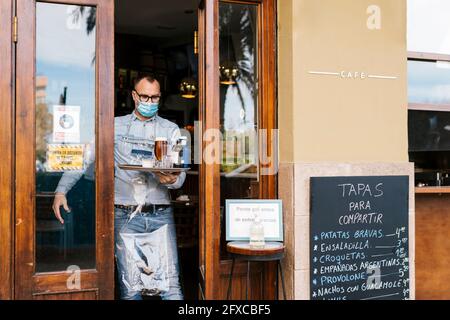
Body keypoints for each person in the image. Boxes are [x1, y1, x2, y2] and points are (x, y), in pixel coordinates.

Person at [52, 75, 186, 300]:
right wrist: (61, 190)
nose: (150, 102)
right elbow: (84, 158)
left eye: (155, 98)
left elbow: (180, 177)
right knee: (130, 288)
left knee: (170, 287)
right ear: (134, 96)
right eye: (145, 96)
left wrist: (171, 180)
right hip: (125, 216)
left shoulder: (172, 129)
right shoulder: (113, 126)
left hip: (160, 214)